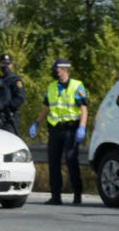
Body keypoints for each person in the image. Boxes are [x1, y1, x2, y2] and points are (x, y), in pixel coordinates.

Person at [29, 58, 88, 205]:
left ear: (64, 69)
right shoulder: (52, 87)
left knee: (70, 160)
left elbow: (84, 109)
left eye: (57, 69)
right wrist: (36, 122)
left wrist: (82, 127)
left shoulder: (77, 86)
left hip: (71, 129)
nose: (55, 72)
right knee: (53, 162)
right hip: (55, 129)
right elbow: (47, 107)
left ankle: (77, 193)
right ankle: (56, 195)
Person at [0, 53, 26, 135]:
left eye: (7, 63)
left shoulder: (15, 80)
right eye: (3, 63)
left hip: (9, 118)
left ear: (11, 65)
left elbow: (20, 98)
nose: (5, 66)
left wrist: (5, 105)